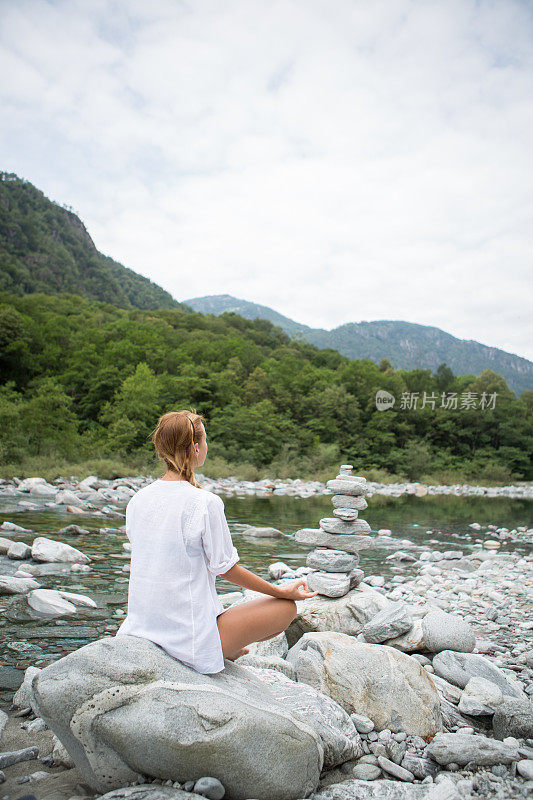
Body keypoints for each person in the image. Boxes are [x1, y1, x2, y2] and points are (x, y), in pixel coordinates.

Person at [116, 408, 319, 673]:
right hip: (186, 640)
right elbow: (225, 569)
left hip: (140, 629)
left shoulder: (137, 500)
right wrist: (281, 591)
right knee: (285, 609)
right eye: (205, 440)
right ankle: (222, 649)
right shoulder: (204, 502)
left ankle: (227, 647)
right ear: (196, 447)